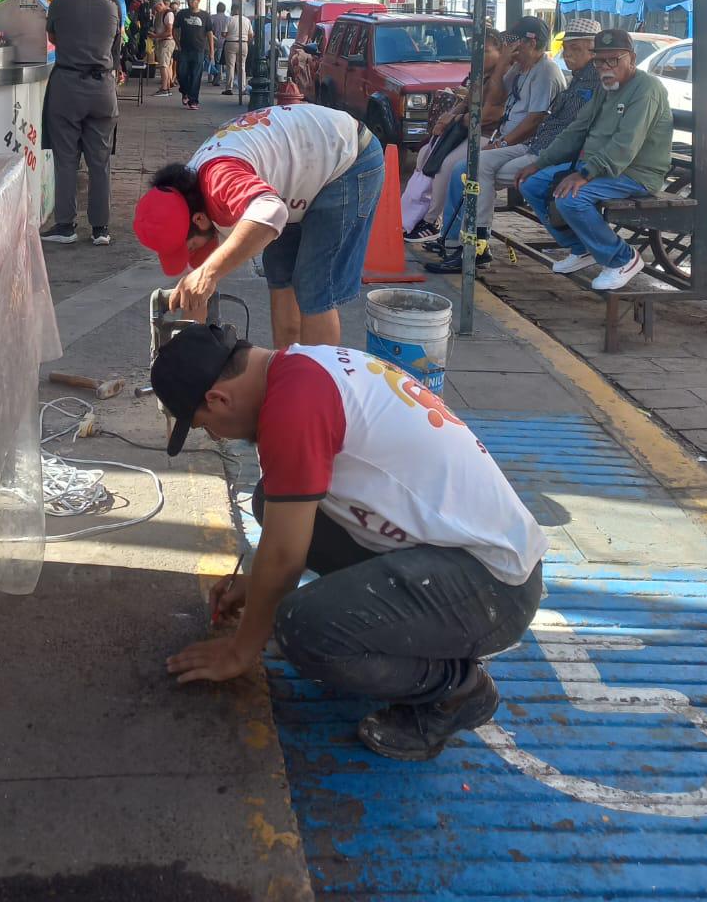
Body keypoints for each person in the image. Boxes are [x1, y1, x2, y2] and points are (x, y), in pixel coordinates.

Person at [156, 326, 546, 761]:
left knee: (303, 628)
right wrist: (255, 582)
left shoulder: (294, 405)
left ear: (218, 400)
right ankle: (401, 629)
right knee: (274, 500)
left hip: (494, 585)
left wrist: (239, 651)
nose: (218, 437)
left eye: (208, 428)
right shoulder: (301, 366)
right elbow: (286, 538)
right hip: (461, 552)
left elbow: (285, 557)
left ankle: (458, 690)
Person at [132, 103, 385, 347]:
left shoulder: (220, 180)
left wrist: (209, 274)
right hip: (301, 169)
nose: (190, 254)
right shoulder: (187, 194)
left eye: (190, 245)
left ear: (198, 219)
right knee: (279, 271)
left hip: (348, 159)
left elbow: (271, 213)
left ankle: (319, 384)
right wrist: (189, 348)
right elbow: (197, 285)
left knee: (314, 285)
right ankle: (288, 373)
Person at [424, 19, 601, 273]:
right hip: (532, 146)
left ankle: (474, 248)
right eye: (567, 48)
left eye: (575, 49)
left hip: (538, 148)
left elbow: (537, 120)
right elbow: (494, 94)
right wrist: (504, 63)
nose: (568, 54)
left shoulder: (551, 72)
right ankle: (458, 242)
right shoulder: (528, 70)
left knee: (474, 170)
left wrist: (503, 142)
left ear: (530, 43)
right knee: (467, 168)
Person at [516, 29, 673, 292]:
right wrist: (540, 163)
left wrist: (584, 174)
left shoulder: (647, 89)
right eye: (600, 61)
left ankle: (622, 258)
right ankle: (582, 248)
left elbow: (625, 145)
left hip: (635, 174)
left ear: (631, 58)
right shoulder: (605, 88)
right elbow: (577, 129)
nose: (605, 67)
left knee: (571, 199)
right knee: (530, 183)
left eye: (614, 60)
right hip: (598, 168)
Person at [42, 0, 120, 246]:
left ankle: (65, 226)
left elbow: (53, 39)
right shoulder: (111, 7)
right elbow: (113, 43)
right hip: (102, 89)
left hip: (67, 86)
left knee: (66, 160)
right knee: (99, 162)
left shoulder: (59, 6)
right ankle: (101, 229)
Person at [404, 31, 509, 242]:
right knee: (425, 154)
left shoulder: (504, 77)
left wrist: (457, 119)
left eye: (486, 51)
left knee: (448, 165)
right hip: (466, 130)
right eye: (477, 51)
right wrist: (449, 115)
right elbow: (467, 102)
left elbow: (490, 115)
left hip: (488, 136)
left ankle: (432, 220)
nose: (480, 56)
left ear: (501, 52)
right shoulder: (481, 75)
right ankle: (416, 212)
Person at [174, 0, 212, 108]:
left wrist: (211, 51)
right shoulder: (182, 14)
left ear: (198, 1)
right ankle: (185, 91)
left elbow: (209, 33)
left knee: (196, 75)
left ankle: (193, 100)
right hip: (184, 49)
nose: (191, 2)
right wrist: (177, 43)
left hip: (199, 50)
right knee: (181, 73)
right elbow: (175, 29)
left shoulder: (205, 15)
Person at [221, 3, 254, 94]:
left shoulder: (229, 19)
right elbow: (251, 34)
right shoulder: (247, 20)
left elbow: (224, 33)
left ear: (232, 10)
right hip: (243, 44)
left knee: (230, 66)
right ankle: (242, 88)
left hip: (231, 43)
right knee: (242, 66)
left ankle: (229, 88)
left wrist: (230, 35)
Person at [153, 0, 177, 95]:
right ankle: (166, 86)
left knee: (163, 65)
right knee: (165, 65)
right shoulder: (161, 13)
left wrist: (156, 36)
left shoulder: (168, 14)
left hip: (166, 42)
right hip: (161, 41)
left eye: (156, 8)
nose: (155, 10)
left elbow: (169, 32)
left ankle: (164, 88)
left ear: (160, 4)